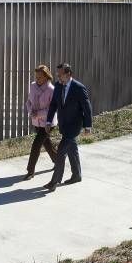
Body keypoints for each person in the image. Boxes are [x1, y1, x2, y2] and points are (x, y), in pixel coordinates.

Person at [43, 63, 92, 192]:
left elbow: (86, 107)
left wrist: (88, 126)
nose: (58, 77)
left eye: (60, 75)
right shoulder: (58, 86)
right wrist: (48, 121)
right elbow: (53, 104)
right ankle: (77, 175)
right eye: (57, 74)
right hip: (64, 124)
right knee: (72, 149)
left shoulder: (79, 88)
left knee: (60, 152)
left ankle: (54, 181)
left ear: (68, 74)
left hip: (74, 125)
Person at [23, 65, 57, 181]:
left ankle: (30, 171)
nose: (37, 79)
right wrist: (30, 111)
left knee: (36, 145)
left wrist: (38, 113)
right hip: (36, 121)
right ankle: (57, 160)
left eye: (40, 77)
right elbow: (28, 102)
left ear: (46, 76)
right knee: (46, 143)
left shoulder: (51, 89)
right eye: (36, 77)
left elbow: (52, 109)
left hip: (48, 123)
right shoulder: (32, 86)